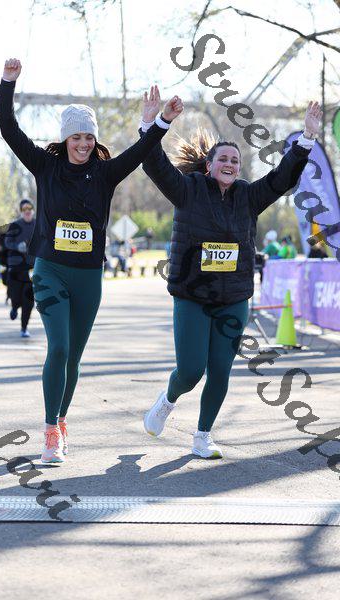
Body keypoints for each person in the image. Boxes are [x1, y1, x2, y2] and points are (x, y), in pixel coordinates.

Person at [0, 59, 172, 464]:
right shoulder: (45, 165)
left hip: (89, 277)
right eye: (76, 137)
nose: (83, 144)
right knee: (58, 348)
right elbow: (8, 127)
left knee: (73, 357)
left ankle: (61, 422)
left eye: (89, 137)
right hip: (50, 271)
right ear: (65, 139)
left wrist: (158, 121)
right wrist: (8, 82)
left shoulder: (106, 173)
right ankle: (49, 433)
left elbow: (142, 150)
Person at [140, 88, 322, 459]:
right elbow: (155, 165)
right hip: (192, 295)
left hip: (233, 298)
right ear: (208, 166)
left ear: (239, 168)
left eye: (235, 161)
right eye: (222, 158)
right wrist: (153, 124)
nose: (229, 164)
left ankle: (202, 436)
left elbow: (283, 177)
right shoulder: (188, 190)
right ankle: (168, 400)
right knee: (191, 371)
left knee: (220, 371)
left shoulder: (248, 197)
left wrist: (306, 138)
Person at [4, 199, 36, 338]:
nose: (27, 211)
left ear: (33, 210)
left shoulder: (38, 225)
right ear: (21, 211)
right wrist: (17, 246)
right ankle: (15, 306)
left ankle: (24, 328)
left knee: (28, 299)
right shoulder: (15, 225)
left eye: (29, 209)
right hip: (16, 266)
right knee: (15, 295)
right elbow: (7, 242)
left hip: (31, 267)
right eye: (24, 209)